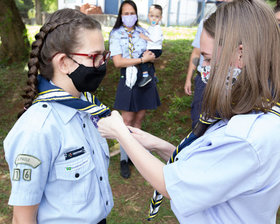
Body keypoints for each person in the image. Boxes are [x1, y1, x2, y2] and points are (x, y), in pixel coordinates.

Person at [98, 0, 280, 223]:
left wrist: (121, 133)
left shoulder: (245, 137)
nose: (203, 67)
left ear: (240, 55)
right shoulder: (255, 115)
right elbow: (209, 170)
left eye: (209, 59)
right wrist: (160, 145)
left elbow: (171, 186)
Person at [4, 8, 113, 224]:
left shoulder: (86, 109)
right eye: (94, 56)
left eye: (104, 55)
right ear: (63, 62)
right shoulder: (37, 129)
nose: (102, 64)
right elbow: (22, 218)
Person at [109, 0, 161, 179]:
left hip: (145, 79)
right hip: (129, 79)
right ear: (121, 15)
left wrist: (151, 57)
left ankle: (135, 156)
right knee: (127, 121)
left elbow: (154, 52)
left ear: (136, 14)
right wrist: (141, 60)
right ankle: (124, 159)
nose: (129, 16)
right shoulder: (116, 34)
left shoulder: (143, 31)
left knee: (139, 119)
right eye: (126, 13)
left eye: (132, 13)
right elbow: (117, 62)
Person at [184, 0, 228, 129]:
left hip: (225, 80)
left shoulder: (241, 25)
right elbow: (197, 53)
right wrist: (188, 78)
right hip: (203, 81)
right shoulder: (206, 22)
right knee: (199, 121)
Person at [138, 4, 164, 87]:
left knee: (142, 58)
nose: (153, 18)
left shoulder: (157, 28)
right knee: (150, 62)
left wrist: (144, 37)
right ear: (148, 16)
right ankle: (154, 76)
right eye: (151, 16)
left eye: (156, 17)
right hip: (152, 48)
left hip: (155, 49)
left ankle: (146, 76)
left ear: (160, 18)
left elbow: (154, 39)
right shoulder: (151, 27)